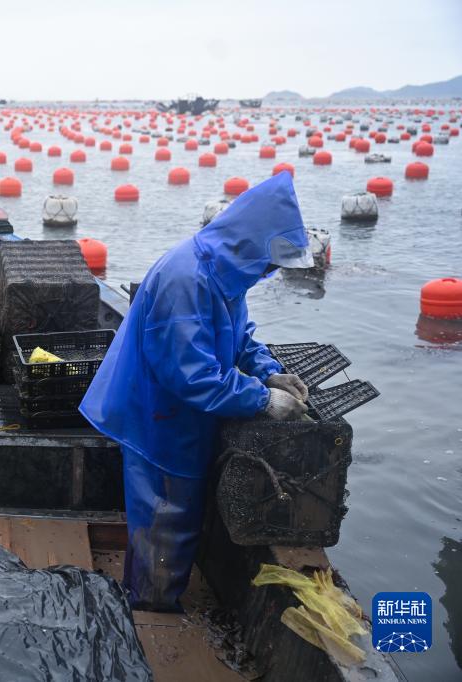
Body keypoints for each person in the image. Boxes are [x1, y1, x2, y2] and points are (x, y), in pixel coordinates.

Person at [79, 172, 312, 612]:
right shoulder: (185, 278)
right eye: (269, 263)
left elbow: (239, 335)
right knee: (163, 519)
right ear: (252, 242)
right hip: (158, 416)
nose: (269, 272)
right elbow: (191, 376)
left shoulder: (227, 269)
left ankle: (154, 595)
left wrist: (269, 372)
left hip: (186, 418)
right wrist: (263, 399)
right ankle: (149, 609)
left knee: (177, 516)